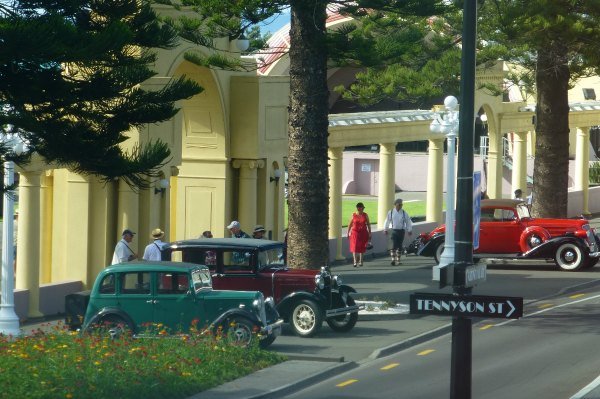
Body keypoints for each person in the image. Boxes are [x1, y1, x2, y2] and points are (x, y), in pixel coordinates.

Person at [384, 199, 413, 265]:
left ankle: (398, 260)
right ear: (395, 204)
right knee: (393, 245)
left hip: (401, 231)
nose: (400, 206)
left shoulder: (404, 213)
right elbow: (387, 221)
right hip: (393, 230)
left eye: (401, 205)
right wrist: (385, 229)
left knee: (399, 246)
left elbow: (408, 222)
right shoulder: (390, 212)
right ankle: (393, 260)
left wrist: (409, 230)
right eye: (399, 204)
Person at [347, 202, 371, 268]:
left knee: (362, 247)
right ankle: (355, 261)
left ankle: (361, 261)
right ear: (358, 208)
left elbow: (368, 224)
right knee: (354, 247)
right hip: (355, 233)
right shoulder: (353, 215)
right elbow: (349, 224)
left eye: (362, 208)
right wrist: (348, 232)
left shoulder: (365, 215)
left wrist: (370, 233)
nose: (362, 209)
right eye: (360, 208)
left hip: (363, 233)